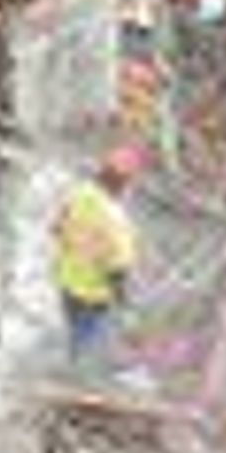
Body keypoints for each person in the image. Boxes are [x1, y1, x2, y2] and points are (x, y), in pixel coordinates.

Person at [54, 148, 143, 368]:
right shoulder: (115, 218)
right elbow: (118, 269)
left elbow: (56, 228)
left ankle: (72, 365)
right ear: (124, 183)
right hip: (95, 295)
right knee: (90, 344)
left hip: (67, 283)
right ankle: (77, 381)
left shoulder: (78, 194)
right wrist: (126, 304)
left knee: (75, 335)